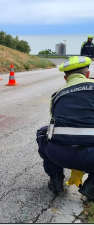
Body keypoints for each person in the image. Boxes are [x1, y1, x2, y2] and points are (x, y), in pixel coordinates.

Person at [37, 56, 94, 200]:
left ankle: (56, 180)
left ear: (65, 78)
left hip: (58, 155)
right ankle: (91, 187)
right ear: (87, 74)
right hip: (90, 157)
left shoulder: (57, 95)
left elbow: (53, 123)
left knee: (43, 133)